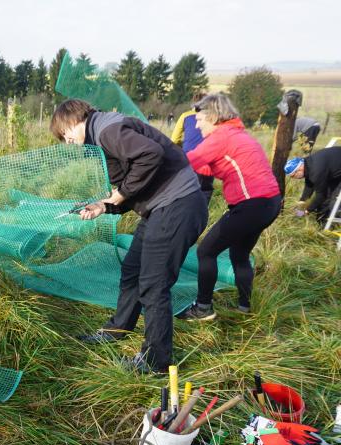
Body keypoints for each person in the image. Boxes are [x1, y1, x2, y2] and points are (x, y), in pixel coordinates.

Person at [50, 99, 208, 375]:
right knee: (133, 270)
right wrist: (105, 205)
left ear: (75, 119)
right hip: (160, 209)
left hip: (177, 207)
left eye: (66, 133)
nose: (68, 141)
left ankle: (155, 362)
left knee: (153, 285)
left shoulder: (106, 131)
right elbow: (137, 179)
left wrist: (119, 195)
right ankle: (117, 328)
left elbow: (151, 156)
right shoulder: (104, 131)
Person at [177, 94, 281, 321]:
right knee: (240, 254)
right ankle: (244, 307)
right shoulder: (237, 134)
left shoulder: (221, 136)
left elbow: (184, 162)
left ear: (213, 117)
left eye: (200, 119)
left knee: (206, 251)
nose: (196, 124)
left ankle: (203, 308)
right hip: (270, 203)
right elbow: (209, 167)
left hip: (251, 204)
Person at [171, 93, 214, 202]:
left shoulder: (185, 116)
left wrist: (184, 146)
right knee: (205, 191)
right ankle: (202, 216)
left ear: (193, 104)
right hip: (207, 162)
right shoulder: (213, 117)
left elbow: (174, 140)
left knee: (184, 192)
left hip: (188, 160)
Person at [285, 148, 341, 225]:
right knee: (326, 196)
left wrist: (307, 211)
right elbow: (309, 184)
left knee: (333, 200)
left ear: (299, 169)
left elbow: (321, 196)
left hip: (337, 170)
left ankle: (329, 224)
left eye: (293, 175)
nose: (293, 178)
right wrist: (302, 201)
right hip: (335, 168)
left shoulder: (316, 171)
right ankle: (322, 223)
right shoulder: (308, 163)